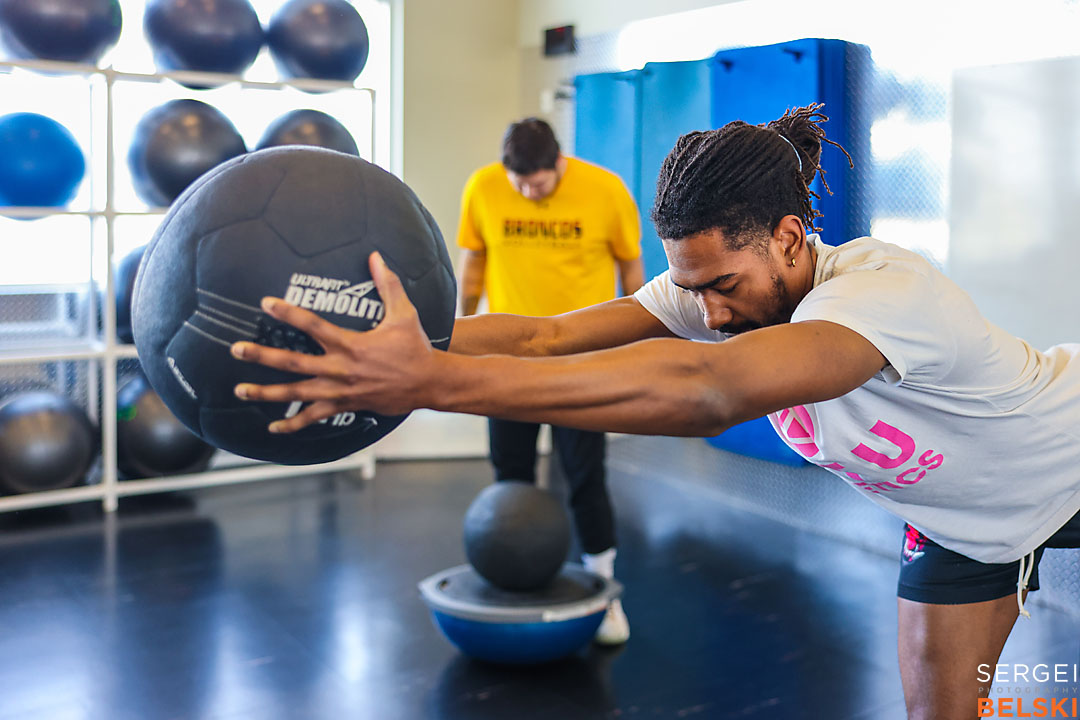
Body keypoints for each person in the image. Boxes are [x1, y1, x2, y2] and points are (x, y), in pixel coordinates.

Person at [229, 103, 1080, 720]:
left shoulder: (885, 292)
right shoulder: (710, 284)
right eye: (690, 286)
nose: (706, 312)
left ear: (789, 238)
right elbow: (544, 338)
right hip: (963, 524)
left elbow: (709, 391)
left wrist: (426, 384)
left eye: (723, 287)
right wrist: (390, 341)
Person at [455, 117, 644, 645]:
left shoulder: (605, 190)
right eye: (519, 184)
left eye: (536, 184)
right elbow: (474, 264)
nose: (527, 192)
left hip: (580, 360)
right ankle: (510, 577)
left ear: (558, 161)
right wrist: (457, 335)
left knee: (585, 476)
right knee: (509, 472)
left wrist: (641, 341)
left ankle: (606, 594)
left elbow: (632, 272)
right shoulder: (484, 186)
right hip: (507, 359)